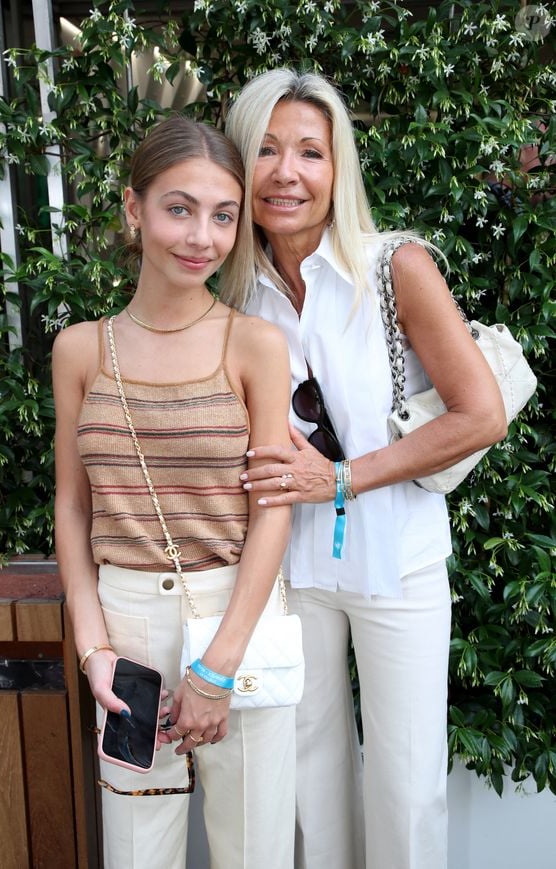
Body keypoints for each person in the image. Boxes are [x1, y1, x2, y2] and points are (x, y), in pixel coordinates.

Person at [224, 69, 507, 869]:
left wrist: (339, 479)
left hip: (399, 560)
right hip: (294, 568)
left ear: (338, 168)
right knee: (310, 776)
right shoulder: (237, 292)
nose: (287, 172)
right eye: (267, 150)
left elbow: (479, 413)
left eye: (310, 152)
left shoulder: (394, 267)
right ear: (240, 165)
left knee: (406, 784)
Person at [52, 116, 294, 869]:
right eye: (179, 208)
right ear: (134, 208)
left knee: (252, 850)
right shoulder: (80, 348)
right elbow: (71, 503)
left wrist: (218, 668)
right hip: (124, 629)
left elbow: (272, 508)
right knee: (134, 852)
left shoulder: (252, 343)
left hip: (238, 619)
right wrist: (92, 646)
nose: (202, 236)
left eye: (223, 215)